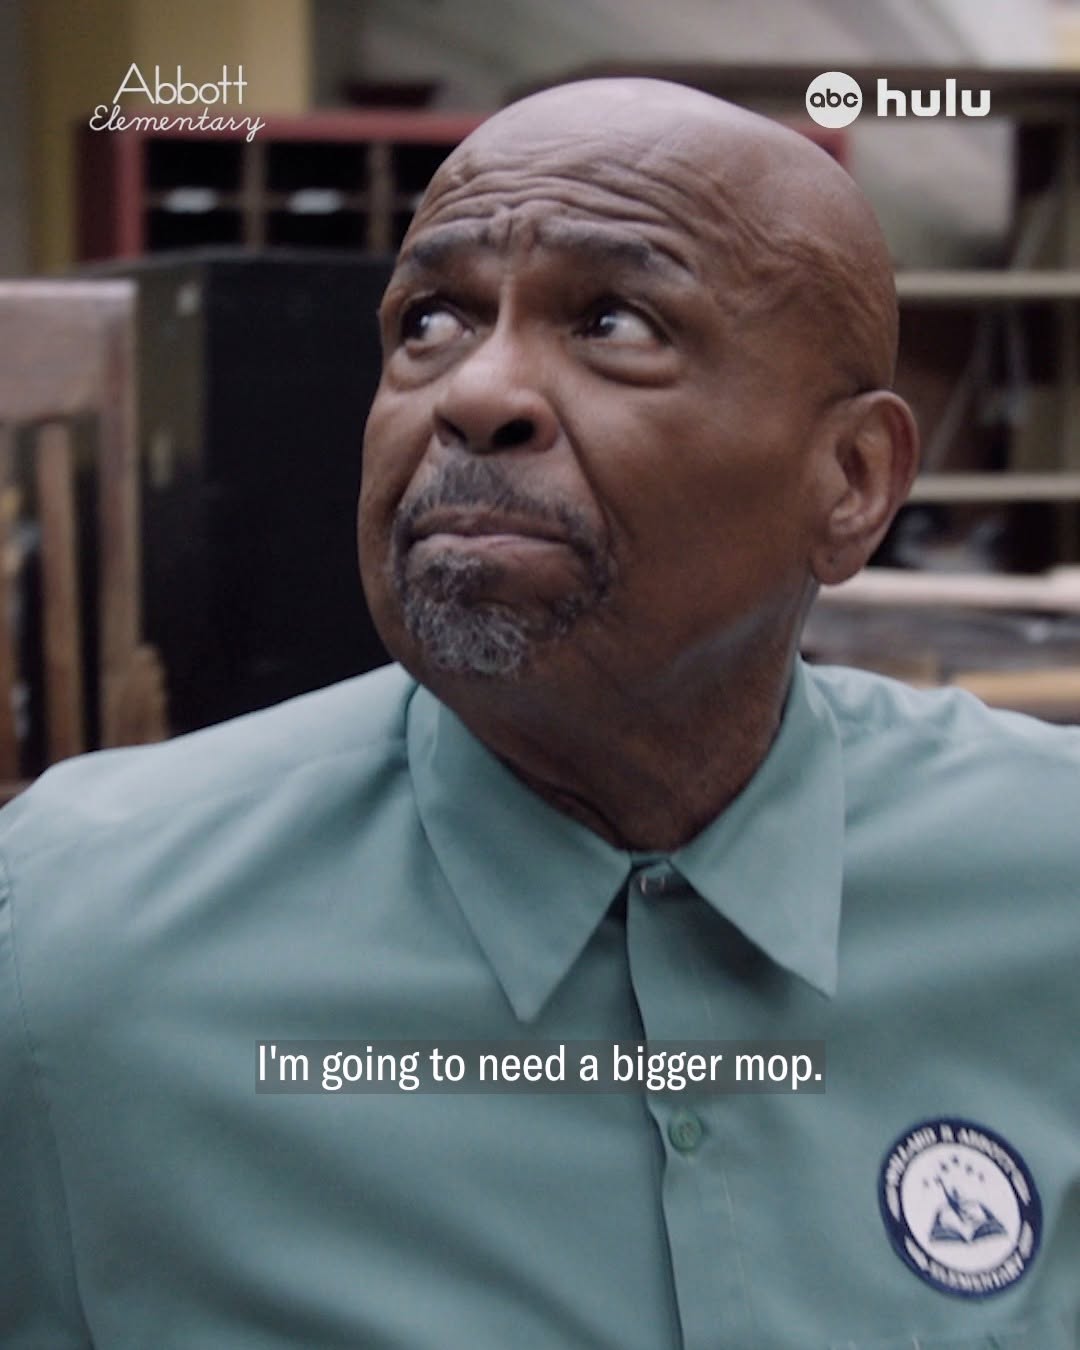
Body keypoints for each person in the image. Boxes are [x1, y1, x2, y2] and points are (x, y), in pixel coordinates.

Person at [1, 77, 1077, 1349]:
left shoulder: (1046, 880)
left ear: (851, 479)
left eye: (614, 321)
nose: (475, 392)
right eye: (431, 321)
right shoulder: (70, 944)